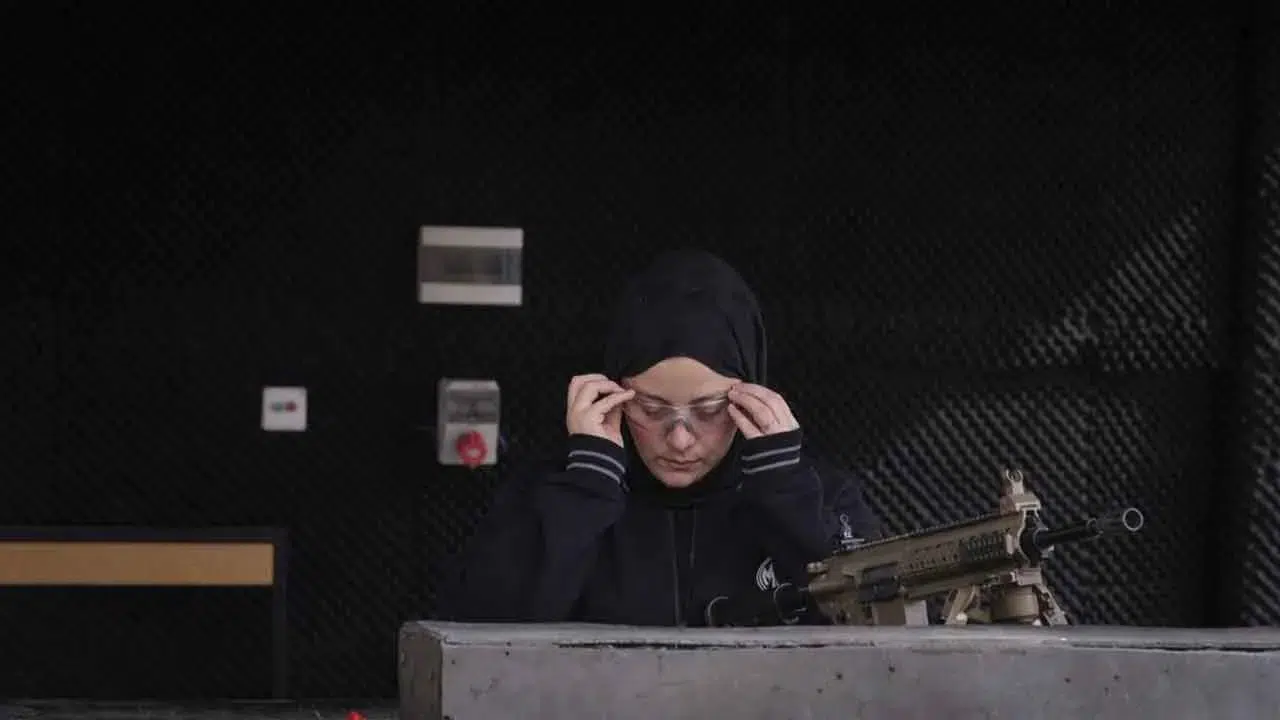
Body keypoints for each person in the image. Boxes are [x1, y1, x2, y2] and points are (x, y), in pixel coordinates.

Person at [436, 249, 883, 626]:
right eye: (651, 409)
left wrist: (787, 497)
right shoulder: (551, 494)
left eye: (708, 409)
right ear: (614, 392)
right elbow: (478, 636)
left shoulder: (823, 494)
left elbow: (879, 630)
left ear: (751, 394)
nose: (681, 440)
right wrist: (585, 491)